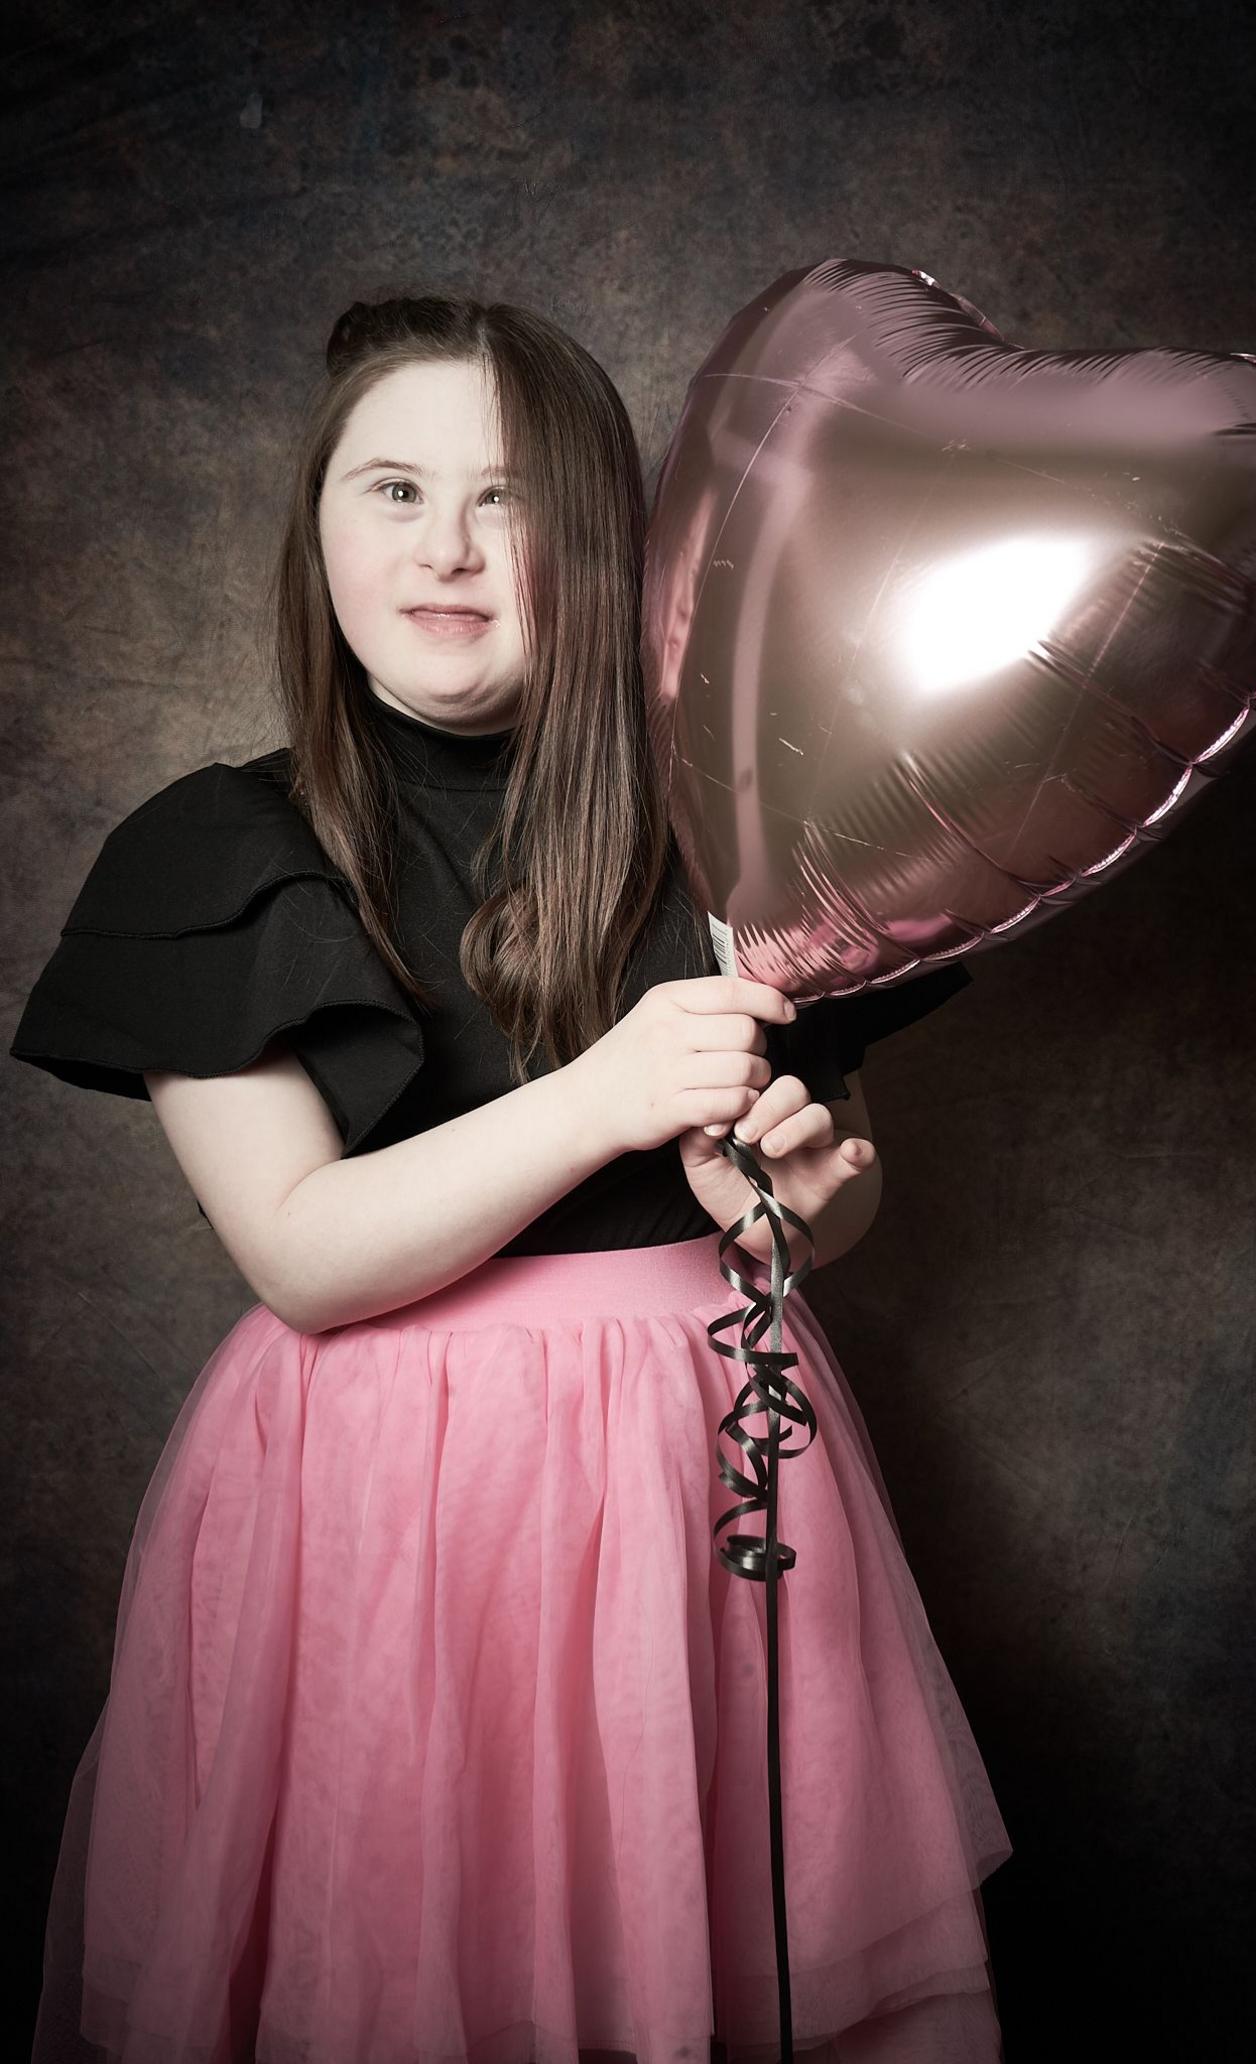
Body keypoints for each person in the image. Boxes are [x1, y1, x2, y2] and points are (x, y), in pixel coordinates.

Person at [12, 292, 1011, 2064]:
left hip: (700, 1477)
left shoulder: (738, 822)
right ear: (316, 522)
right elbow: (306, 1256)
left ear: (604, 540)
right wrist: (610, 1095)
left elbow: (832, 1206)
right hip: (371, 1513)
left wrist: (786, 1191)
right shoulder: (214, 848)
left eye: (510, 501)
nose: (449, 549)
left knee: (704, 1970)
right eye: (391, 491)